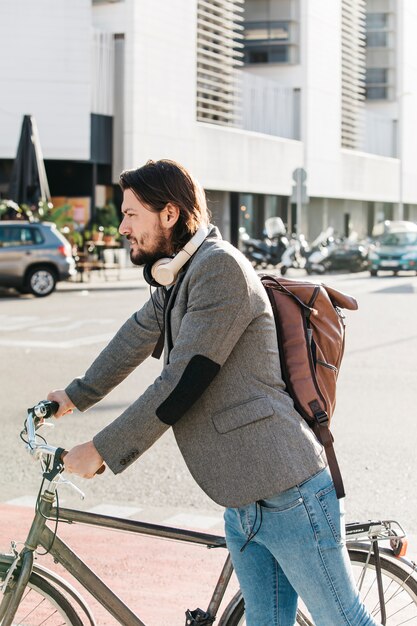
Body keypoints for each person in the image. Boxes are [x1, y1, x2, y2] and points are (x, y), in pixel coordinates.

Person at [48, 159, 378, 626]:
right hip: (243, 500)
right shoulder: (179, 272)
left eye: (130, 214)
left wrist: (102, 449)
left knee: (344, 621)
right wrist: (75, 395)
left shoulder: (220, 270)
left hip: (289, 493)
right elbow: (136, 334)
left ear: (169, 214)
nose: (122, 227)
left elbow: (183, 380)